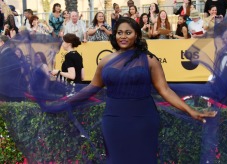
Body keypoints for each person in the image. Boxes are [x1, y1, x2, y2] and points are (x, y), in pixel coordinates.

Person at [41, 17, 216, 163]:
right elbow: (91, 88)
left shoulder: (149, 60)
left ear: (137, 35)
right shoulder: (105, 61)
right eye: (119, 32)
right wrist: (63, 104)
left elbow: (165, 91)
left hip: (144, 119)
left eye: (128, 32)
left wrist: (190, 110)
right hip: (114, 121)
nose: (123, 36)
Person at [0, 35, 24, 101]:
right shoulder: (6, 53)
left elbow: (9, 71)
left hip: (6, 89)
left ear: (2, 42)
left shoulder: (8, 54)